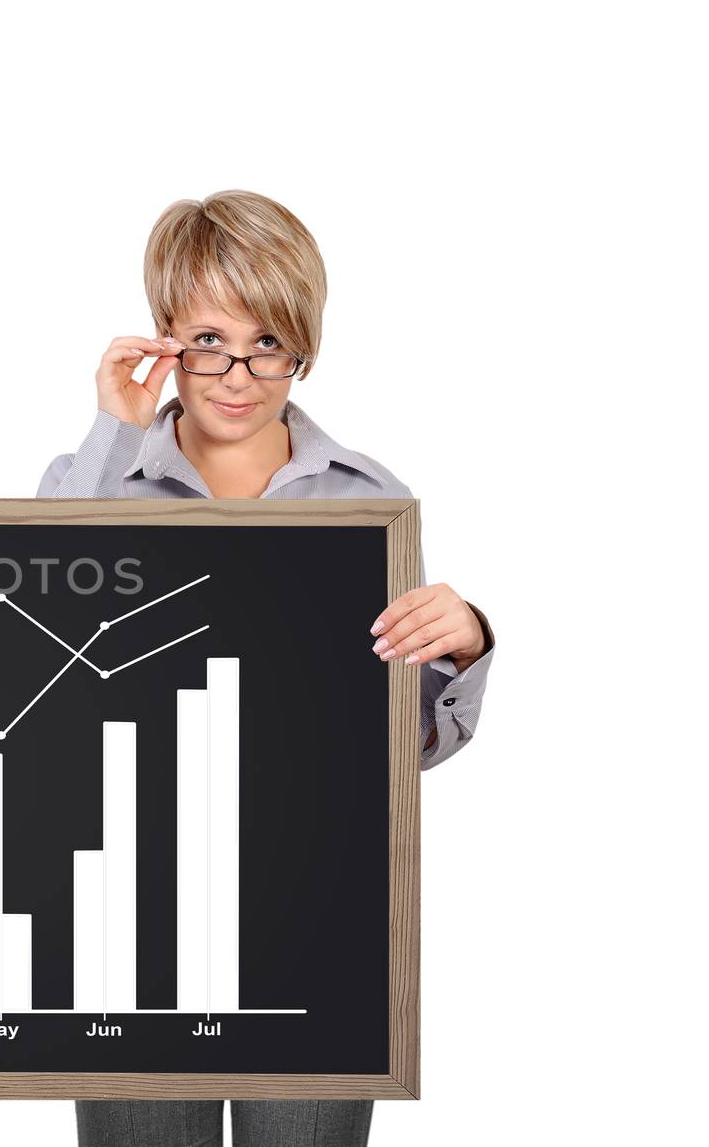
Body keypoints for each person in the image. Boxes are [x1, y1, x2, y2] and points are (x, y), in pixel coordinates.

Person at [38, 189, 496, 1147]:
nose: (238, 374)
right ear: (165, 337)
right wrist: (114, 433)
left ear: (305, 347)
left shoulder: (370, 500)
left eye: (268, 343)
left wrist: (463, 646)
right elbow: (43, 669)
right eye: (207, 339)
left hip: (312, 924)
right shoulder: (91, 476)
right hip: (132, 920)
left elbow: (395, 747)